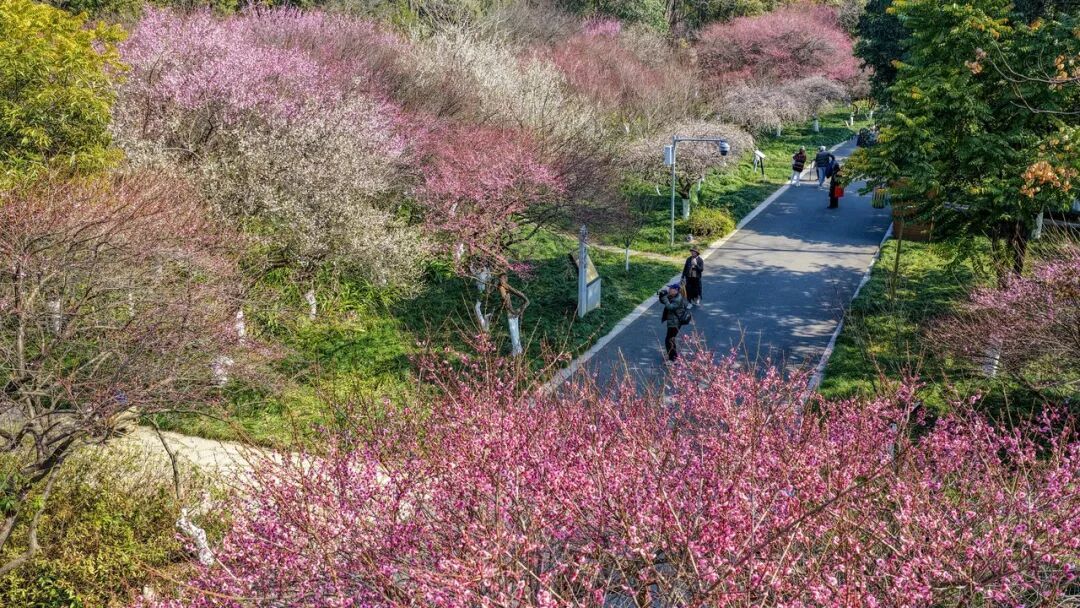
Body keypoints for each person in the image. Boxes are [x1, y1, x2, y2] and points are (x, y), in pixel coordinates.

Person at [658, 283, 689, 362]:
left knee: (669, 340)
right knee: (670, 339)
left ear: (676, 290)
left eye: (671, 288)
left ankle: (672, 359)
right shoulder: (673, 296)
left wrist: (665, 298)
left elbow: (670, 307)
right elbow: (664, 301)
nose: (669, 290)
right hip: (673, 322)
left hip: (675, 323)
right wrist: (662, 295)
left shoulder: (678, 299)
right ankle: (673, 356)